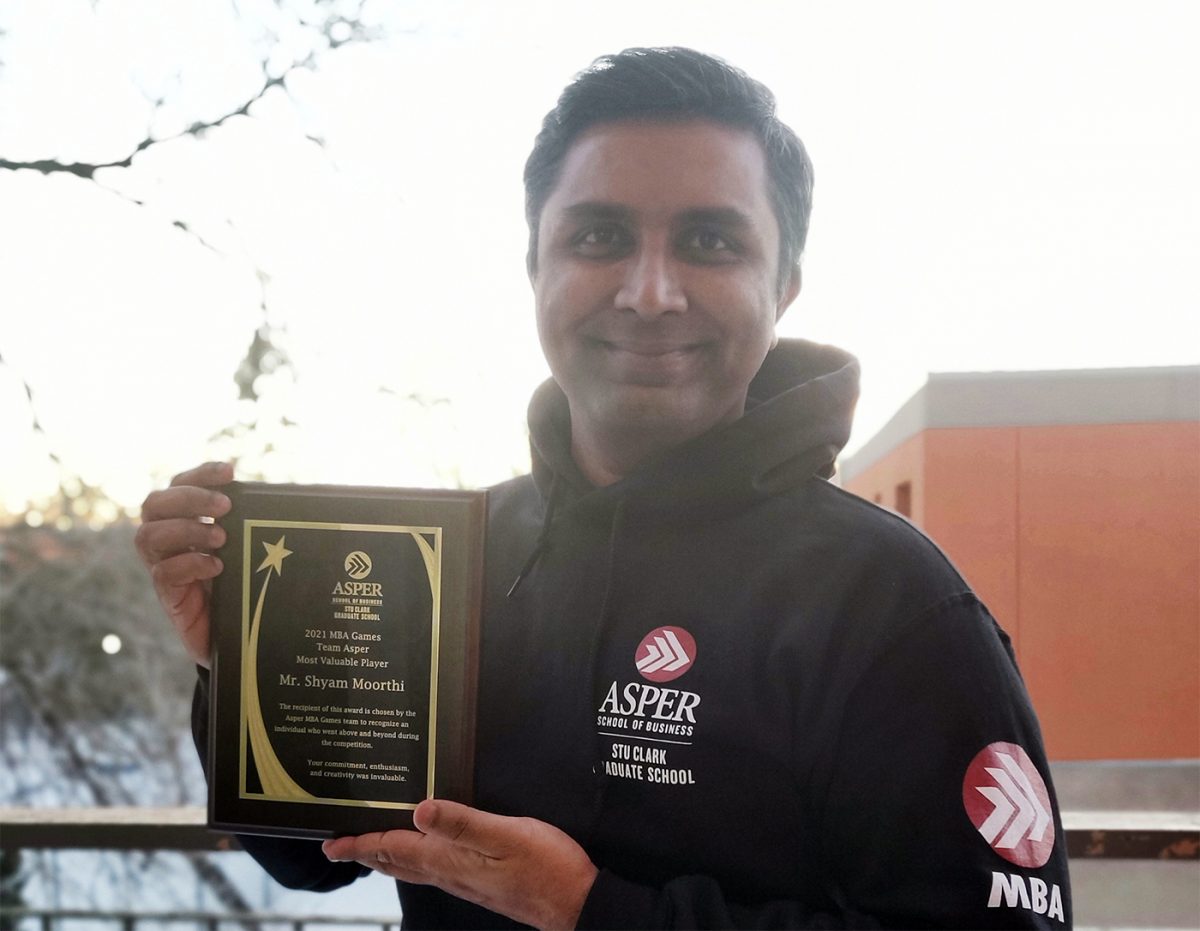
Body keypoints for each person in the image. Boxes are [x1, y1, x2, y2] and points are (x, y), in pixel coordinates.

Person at [137, 47, 1072, 929]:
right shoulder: (448, 558)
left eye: (709, 240)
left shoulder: (893, 605)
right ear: (535, 266)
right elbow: (320, 854)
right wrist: (244, 666)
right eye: (599, 235)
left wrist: (592, 911)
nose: (650, 291)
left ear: (783, 286)